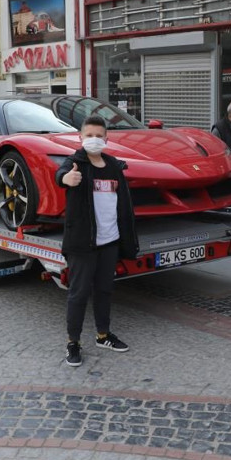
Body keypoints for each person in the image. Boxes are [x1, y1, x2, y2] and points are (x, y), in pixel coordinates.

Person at [55, 115, 139, 367]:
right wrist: (65, 179)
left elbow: (123, 203)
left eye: (98, 136)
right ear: (80, 137)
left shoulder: (113, 165)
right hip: (83, 243)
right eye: (89, 135)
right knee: (78, 294)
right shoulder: (74, 163)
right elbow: (60, 174)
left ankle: (103, 335)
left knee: (104, 290)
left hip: (109, 241)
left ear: (106, 138)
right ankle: (73, 342)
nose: (93, 140)